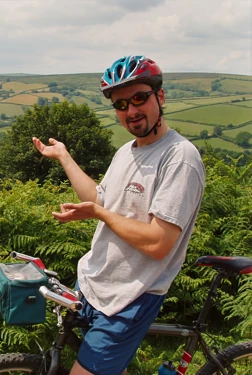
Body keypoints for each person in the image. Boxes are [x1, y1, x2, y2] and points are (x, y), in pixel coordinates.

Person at [32, 55, 205, 375]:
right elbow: (100, 198)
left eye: (140, 98)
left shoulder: (180, 158)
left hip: (130, 297)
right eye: (121, 104)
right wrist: (64, 156)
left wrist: (99, 213)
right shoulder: (127, 151)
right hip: (95, 283)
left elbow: (158, 243)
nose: (131, 111)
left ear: (161, 97)